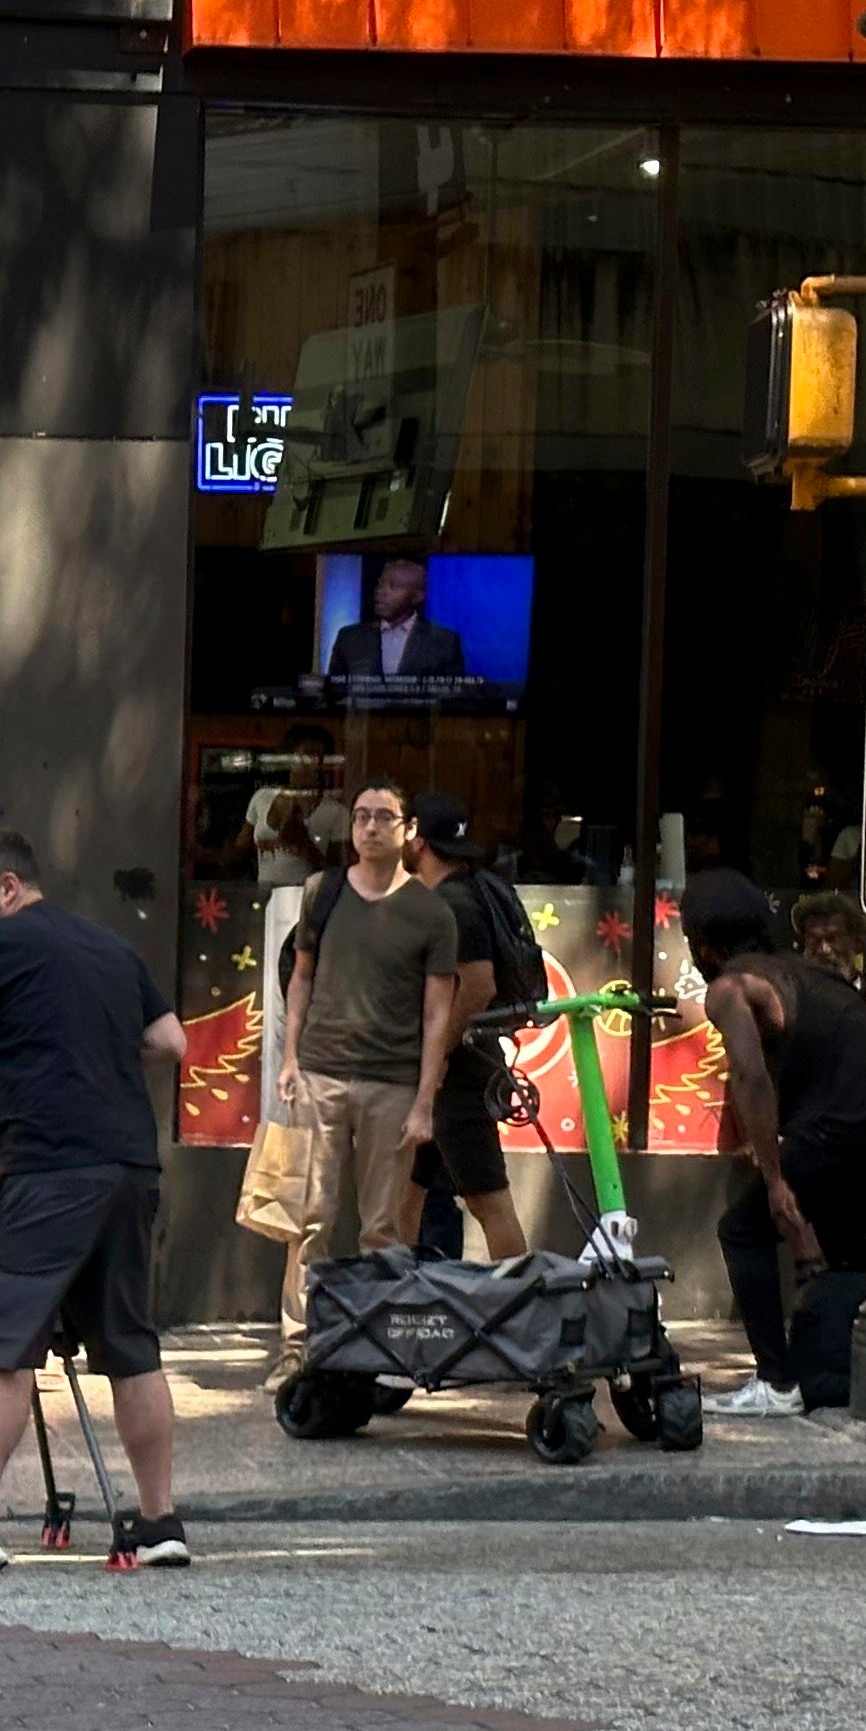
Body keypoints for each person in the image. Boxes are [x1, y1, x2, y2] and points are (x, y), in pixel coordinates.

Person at [0, 828, 192, 1574]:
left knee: (6, 1345)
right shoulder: (109, 947)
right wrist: (87, 1050)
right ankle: (158, 1518)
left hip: (47, 1168)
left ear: (8, 887)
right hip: (128, 1166)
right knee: (131, 1346)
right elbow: (172, 1041)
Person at [687, 870, 866, 1418]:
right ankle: (855, 1370)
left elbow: (750, 1076)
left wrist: (776, 1178)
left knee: (742, 1230)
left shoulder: (731, 988)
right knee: (841, 1240)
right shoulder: (805, 972)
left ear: (702, 947)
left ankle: (777, 1383)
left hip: (839, 1127)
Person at [277, 780, 462, 1351]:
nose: (371, 827)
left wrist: (425, 1101)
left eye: (385, 817)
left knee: (382, 1227)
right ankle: (298, 1346)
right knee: (308, 1221)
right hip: (320, 1076)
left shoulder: (433, 913)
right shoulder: (321, 891)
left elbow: (438, 1015)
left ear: (409, 831)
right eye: (361, 816)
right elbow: (301, 976)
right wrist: (289, 1057)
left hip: (392, 1084)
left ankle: (377, 1348)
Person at [407, 796, 526, 1265]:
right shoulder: (466, 891)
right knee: (405, 1193)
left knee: (487, 1200)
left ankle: (517, 1311)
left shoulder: (455, 902)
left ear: (418, 840)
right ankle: (398, 1301)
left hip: (460, 1074)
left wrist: (436, 1058)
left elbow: (478, 985)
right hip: (446, 1074)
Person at [322, 554, 469, 680]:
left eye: (394, 586)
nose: (381, 592)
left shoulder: (444, 641)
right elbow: (334, 693)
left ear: (417, 596)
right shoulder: (349, 637)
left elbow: (452, 699)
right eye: (380, 584)